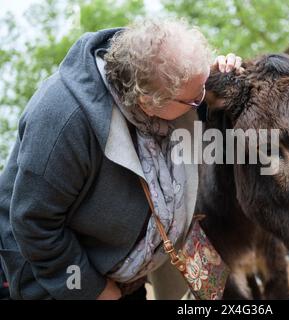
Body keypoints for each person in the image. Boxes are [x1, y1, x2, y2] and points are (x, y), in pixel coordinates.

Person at [0, 18, 243, 300]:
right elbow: (33, 225)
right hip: (64, 285)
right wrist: (93, 289)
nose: (202, 99)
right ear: (148, 102)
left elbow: (203, 125)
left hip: (129, 273)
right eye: (195, 97)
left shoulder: (155, 72)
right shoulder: (62, 120)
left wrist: (214, 79)